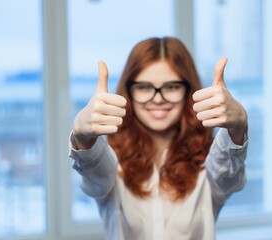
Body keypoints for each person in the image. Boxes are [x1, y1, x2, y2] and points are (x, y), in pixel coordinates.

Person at [69, 37, 248, 240]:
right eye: (144, 87)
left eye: (171, 87)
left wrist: (237, 128)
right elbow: (94, 175)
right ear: (129, 91)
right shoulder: (110, 160)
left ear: (188, 91)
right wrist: (83, 139)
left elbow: (228, 173)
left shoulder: (208, 161)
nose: (157, 98)